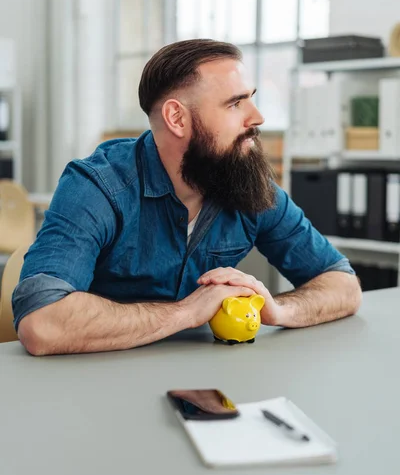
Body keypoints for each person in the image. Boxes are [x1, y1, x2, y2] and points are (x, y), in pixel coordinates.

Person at [13, 39, 362, 356]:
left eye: (250, 98)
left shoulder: (250, 184)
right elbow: (42, 322)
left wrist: (279, 310)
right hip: (93, 384)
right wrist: (188, 311)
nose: (257, 117)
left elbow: (342, 284)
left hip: (202, 382)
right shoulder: (97, 186)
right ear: (177, 118)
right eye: (235, 103)